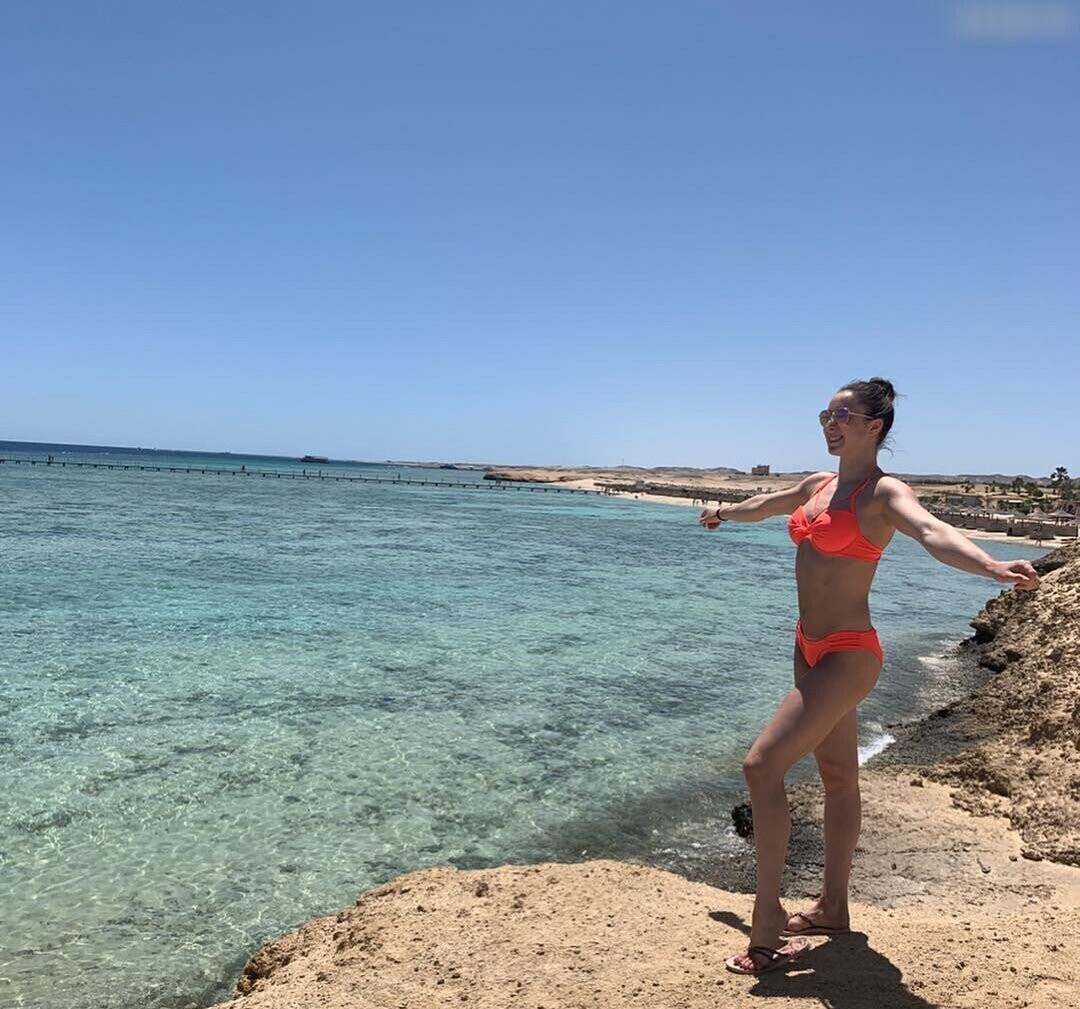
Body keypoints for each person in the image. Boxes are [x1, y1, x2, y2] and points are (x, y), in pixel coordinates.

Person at [698, 377, 1040, 976]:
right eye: (825, 416)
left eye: (843, 416)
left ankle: (766, 924)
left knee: (761, 765)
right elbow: (768, 504)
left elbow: (932, 532)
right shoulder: (817, 485)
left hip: (850, 653)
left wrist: (991, 566)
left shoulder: (884, 493)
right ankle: (832, 908)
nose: (831, 425)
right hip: (807, 646)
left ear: (874, 425)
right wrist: (724, 512)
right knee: (837, 777)